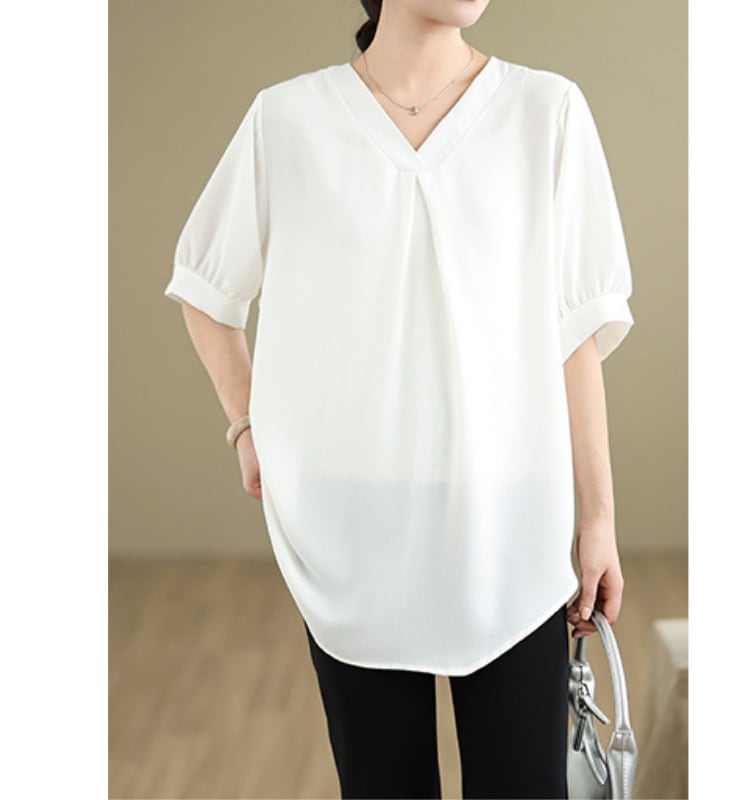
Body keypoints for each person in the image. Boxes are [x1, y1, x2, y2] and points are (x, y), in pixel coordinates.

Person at [163, 0, 635, 797]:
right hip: (352, 531)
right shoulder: (289, 120)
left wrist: (598, 518)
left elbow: (575, 334)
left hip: (511, 526)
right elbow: (205, 289)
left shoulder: (545, 110)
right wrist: (247, 426)